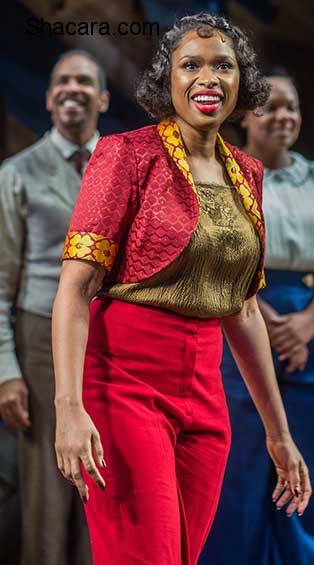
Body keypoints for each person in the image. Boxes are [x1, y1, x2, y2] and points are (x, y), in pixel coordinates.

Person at [52, 16, 312, 565]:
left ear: (243, 82)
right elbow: (75, 290)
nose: (207, 77)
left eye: (223, 65)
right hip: (123, 382)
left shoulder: (247, 173)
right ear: (166, 80)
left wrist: (278, 434)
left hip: (205, 394)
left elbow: (242, 308)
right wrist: (70, 407)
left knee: (183, 556)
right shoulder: (126, 155)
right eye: (189, 65)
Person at [201, 69, 314, 565]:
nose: (285, 117)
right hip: (241, 324)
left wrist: (306, 325)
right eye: (272, 107)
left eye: (293, 108)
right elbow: (214, 258)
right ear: (244, 116)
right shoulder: (221, 174)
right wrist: (267, 325)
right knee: (240, 464)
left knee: (313, 463)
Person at [0, 49, 110, 565]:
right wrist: (6, 372)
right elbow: (1, 280)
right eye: (62, 80)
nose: (73, 88)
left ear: (103, 98)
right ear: (47, 98)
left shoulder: (120, 168)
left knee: (104, 477)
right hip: (39, 336)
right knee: (47, 483)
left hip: (111, 342)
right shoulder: (16, 173)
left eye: (85, 81)